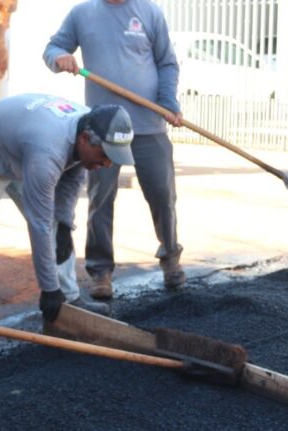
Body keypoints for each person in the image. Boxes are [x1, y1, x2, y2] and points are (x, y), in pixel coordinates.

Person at [0, 94, 126, 365]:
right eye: (104, 156)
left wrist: (64, 224)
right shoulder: (48, 150)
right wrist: (47, 289)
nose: (107, 164)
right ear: (85, 139)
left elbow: (72, 178)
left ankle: (69, 300)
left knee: (58, 227)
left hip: (18, 152)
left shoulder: (89, 126)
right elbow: (38, 224)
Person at [44, 0, 185, 301]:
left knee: (162, 194)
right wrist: (61, 58)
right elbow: (52, 49)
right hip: (103, 132)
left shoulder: (149, 12)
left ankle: (170, 257)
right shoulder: (82, 14)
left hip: (148, 124)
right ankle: (100, 271)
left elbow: (167, 63)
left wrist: (167, 102)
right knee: (101, 198)